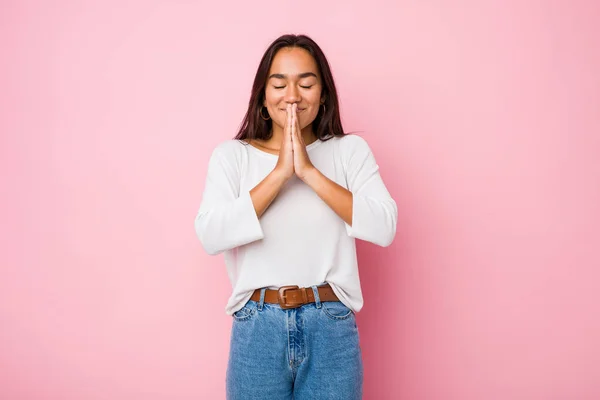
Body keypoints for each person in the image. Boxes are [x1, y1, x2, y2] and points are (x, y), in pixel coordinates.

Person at [194, 33, 397, 400]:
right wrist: (280, 173)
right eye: (279, 84)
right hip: (257, 327)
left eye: (306, 83)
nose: (292, 95)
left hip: (330, 326)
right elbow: (211, 234)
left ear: (322, 95)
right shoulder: (232, 157)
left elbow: (384, 226)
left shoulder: (349, 152)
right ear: (262, 95)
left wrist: (309, 172)